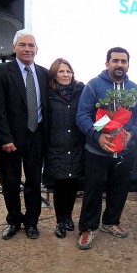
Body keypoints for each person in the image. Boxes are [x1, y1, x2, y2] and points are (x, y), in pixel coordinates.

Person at [75, 47, 137, 250]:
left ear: (128, 65)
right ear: (107, 63)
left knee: (119, 188)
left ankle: (110, 222)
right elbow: (82, 115)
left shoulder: (134, 88)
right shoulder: (94, 85)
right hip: (96, 150)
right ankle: (88, 228)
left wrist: (130, 134)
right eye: (115, 61)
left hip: (124, 150)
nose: (119, 65)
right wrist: (97, 136)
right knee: (93, 190)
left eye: (123, 61)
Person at [0, 30, 48, 240]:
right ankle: (13, 220)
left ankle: (32, 222)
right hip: (10, 139)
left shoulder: (44, 73)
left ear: (37, 50)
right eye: (22, 45)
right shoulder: (0, 72)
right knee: (10, 182)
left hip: (36, 135)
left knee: (33, 182)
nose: (27, 49)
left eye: (31, 45)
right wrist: (4, 139)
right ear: (14, 48)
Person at [44, 58, 85, 238]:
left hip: (76, 146)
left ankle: (69, 217)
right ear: (54, 74)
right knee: (60, 186)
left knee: (73, 184)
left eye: (68, 71)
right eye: (61, 71)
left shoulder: (80, 91)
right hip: (56, 147)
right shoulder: (48, 93)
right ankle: (60, 221)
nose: (66, 75)